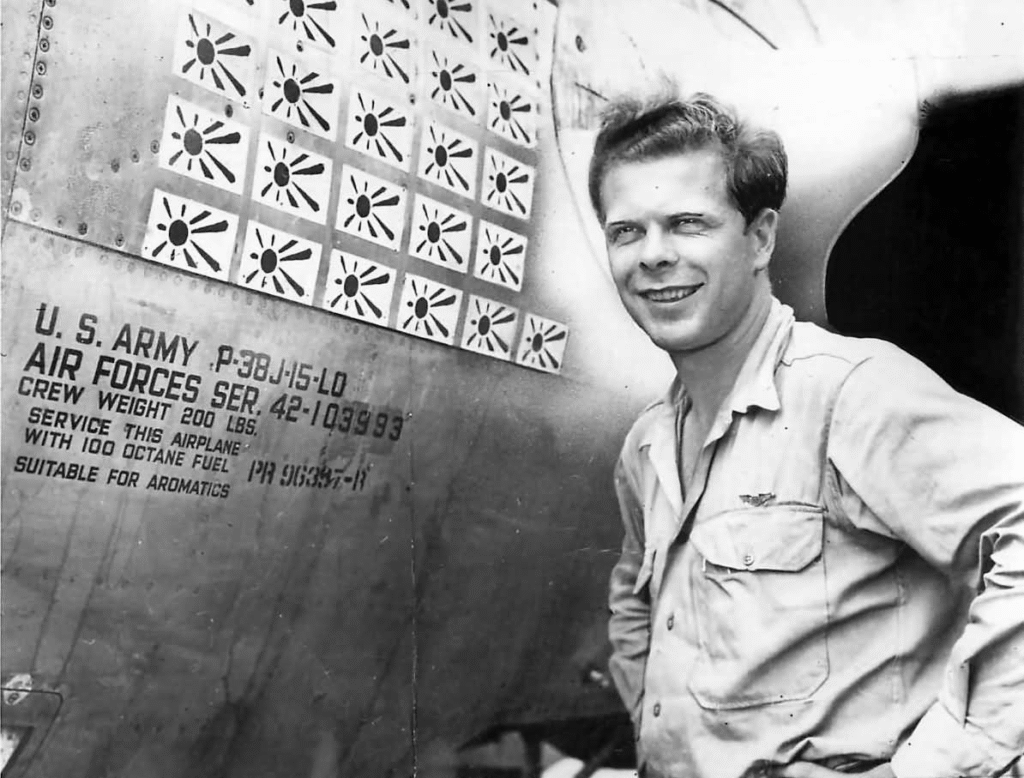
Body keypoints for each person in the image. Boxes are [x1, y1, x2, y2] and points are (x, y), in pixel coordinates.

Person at [594, 92, 1024, 778]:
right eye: (625, 231)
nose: (653, 256)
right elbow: (634, 603)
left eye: (687, 223)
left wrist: (935, 767)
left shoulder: (851, 393)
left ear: (760, 238)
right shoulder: (646, 444)